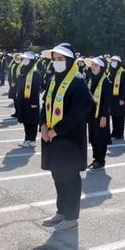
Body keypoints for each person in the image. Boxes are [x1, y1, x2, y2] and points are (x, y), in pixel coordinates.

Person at [40, 43, 92, 232]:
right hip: (53, 139)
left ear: (69, 61)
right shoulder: (54, 79)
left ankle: (71, 217)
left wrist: (58, 130)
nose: (57, 62)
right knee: (58, 175)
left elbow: (80, 110)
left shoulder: (77, 81)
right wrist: (43, 125)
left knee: (70, 177)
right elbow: (45, 102)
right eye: (54, 59)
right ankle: (61, 211)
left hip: (69, 140)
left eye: (61, 59)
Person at [85, 56, 112, 169]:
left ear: (101, 67)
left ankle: (101, 160)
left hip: (101, 115)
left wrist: (104, 116)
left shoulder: (106, 82)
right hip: (92, 114)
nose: (93, 67)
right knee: (94, 137)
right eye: (92, 65)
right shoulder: (92, 79)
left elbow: (107, 102)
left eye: (95, 65)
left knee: (101, 138)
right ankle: (95, 158)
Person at [16, 51, 41, 148]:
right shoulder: (23, 70)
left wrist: (34, 102)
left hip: (31, 101)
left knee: (32, 121)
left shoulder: (35, 73)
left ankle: (32, 140)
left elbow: (35, 89)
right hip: (23, 100)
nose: (24, 61)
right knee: (26, 120)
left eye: (26, 59)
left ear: (31, 61)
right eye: (24, 59)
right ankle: (27, 138)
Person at [108, 56, 125, 139]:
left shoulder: (122, 73)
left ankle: (120, 133)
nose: (113, 62)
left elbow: (124, 87)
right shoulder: (111, 72)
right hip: (112, 98)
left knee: (120, 116)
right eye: (112, 61)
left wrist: (122, 98)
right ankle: (114, 132)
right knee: (114, 115)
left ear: (118, 62)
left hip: (119, 98)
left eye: (115, 61)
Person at [8, 53, 22, 118]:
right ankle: (16, 112)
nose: (17, 59)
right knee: (15, 100)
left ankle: (20, 113)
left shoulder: (22, 65)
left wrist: (15, 83)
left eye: (18, 57)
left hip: (19, 85)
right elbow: (10, 76)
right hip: (13, 85)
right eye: (16, 57)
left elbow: (21, 77)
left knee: (19, 100)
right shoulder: (13, 65)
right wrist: (11, 83)